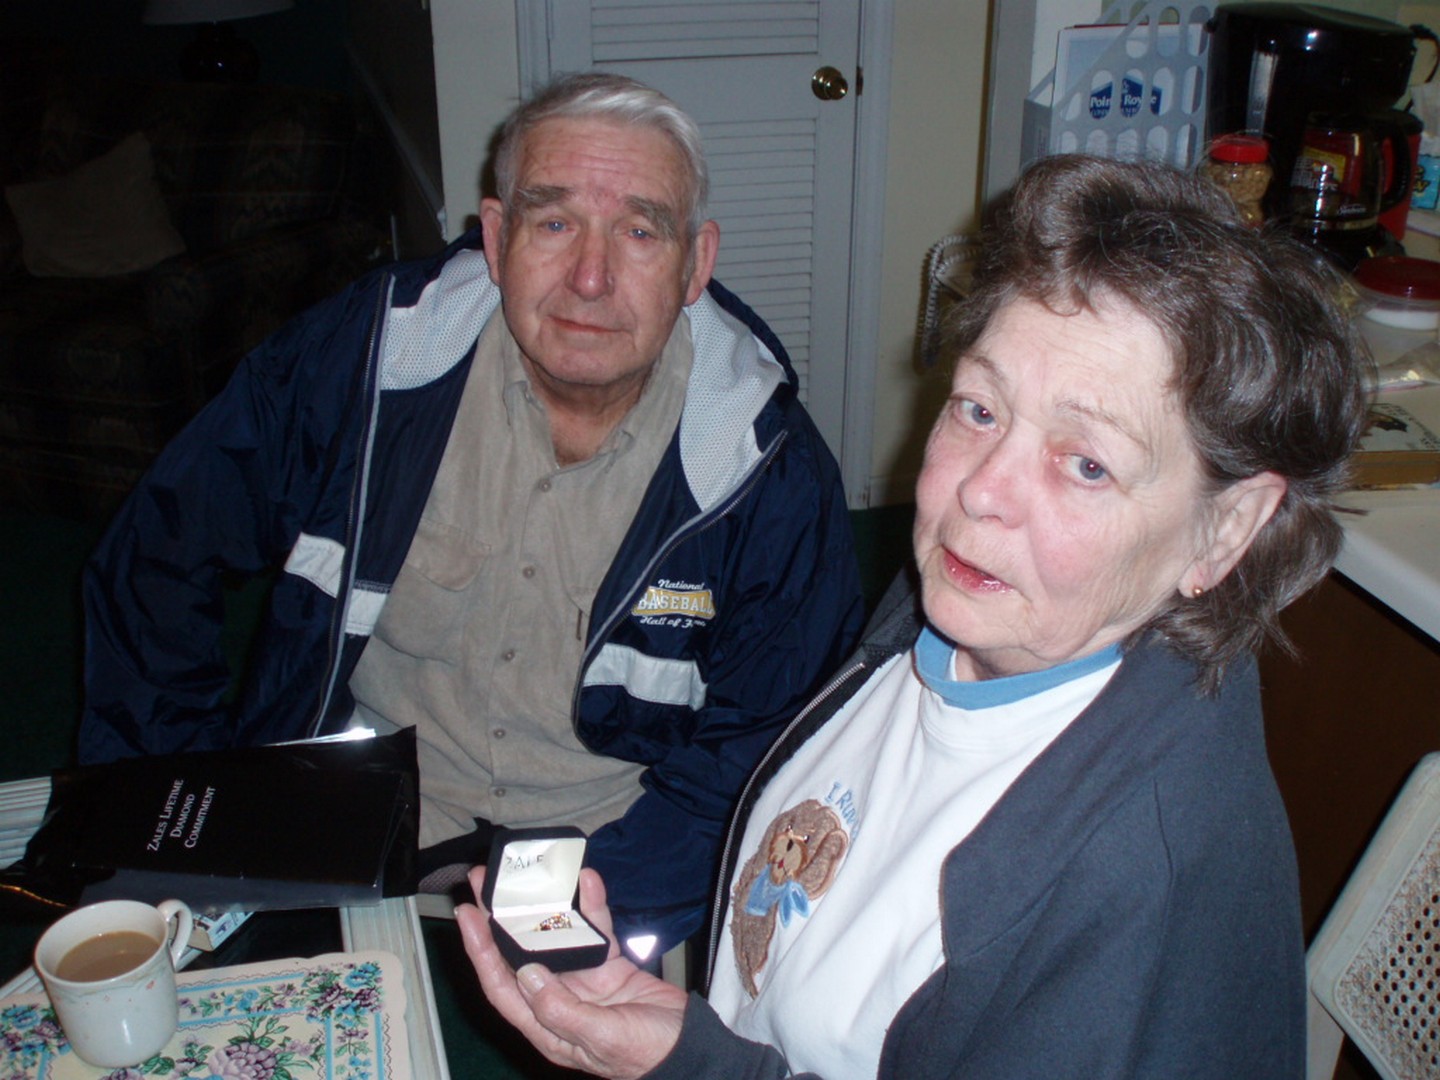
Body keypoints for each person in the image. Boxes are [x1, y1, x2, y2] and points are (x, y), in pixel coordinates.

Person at [455, 152, 1373, 1078]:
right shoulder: (968, 609)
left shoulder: (1141, 890)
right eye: (979, 408)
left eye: (1086, 464)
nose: (981, 491)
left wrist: (696, 1067)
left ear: (1226, 530)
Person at [78, 72, 864, 957]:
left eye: (640, 231)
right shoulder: (366, 361)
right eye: (554, 223)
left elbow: (768, 743)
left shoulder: (767, 470)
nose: (591, 278)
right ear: (495, 238)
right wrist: (179, 798)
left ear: (696, 263)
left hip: (616, 840)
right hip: (358, 798)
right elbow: (160, 549)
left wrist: (591, 906)